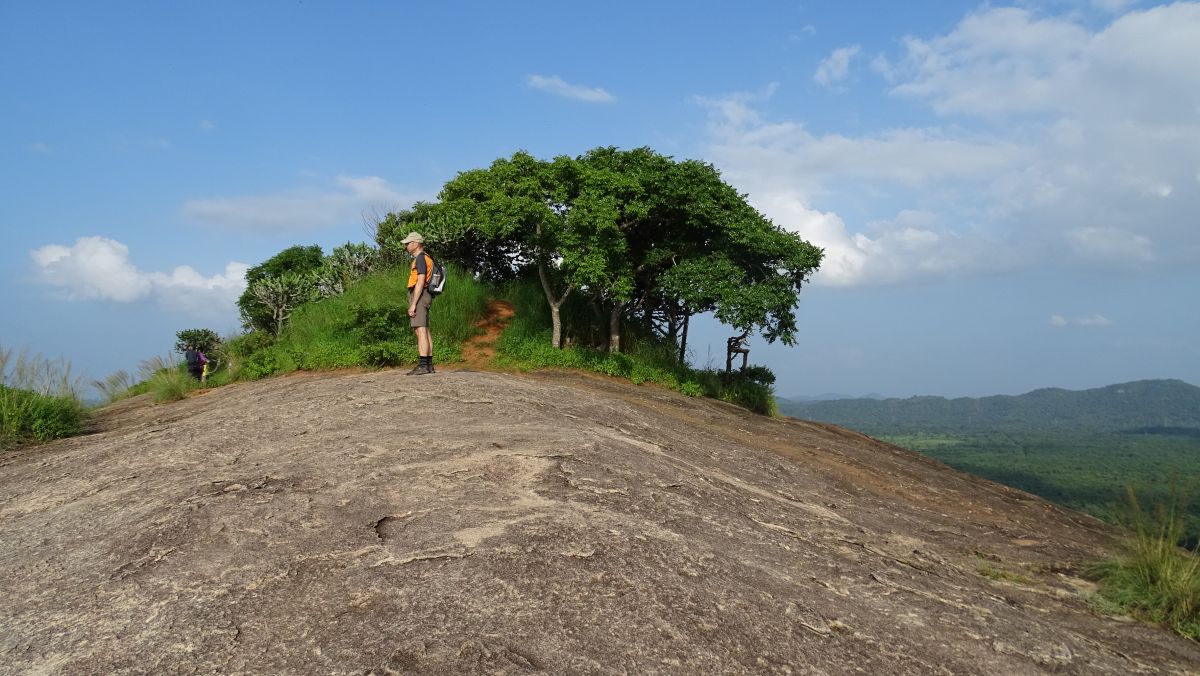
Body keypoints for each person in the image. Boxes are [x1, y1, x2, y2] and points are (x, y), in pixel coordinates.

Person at [401, 231, 435, 375]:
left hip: (420, 294)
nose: (406, 246)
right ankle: (428, 365)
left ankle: (423, 366)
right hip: (425, 295)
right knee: (424, 329)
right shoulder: (426, 257)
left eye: (408, 243)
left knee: (420, 330)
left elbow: (420, 280)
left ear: (416, 244)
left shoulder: (420, 258)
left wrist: (413, 303)